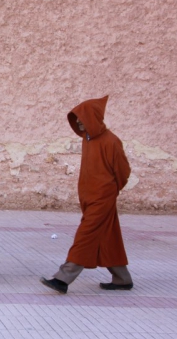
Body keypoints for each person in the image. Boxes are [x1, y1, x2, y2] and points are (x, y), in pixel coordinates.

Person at [41, 95, 133, 294]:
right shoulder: (88, 139)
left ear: (93, 118)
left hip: (102, 198)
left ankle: (63, 278)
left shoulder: (111, 141)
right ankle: (122, 279)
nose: (79, 122)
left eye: (82, 118)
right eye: (77, 119)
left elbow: (123, 171)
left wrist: (109, 191)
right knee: (108, 236)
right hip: (89, 198)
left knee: (85, 235)